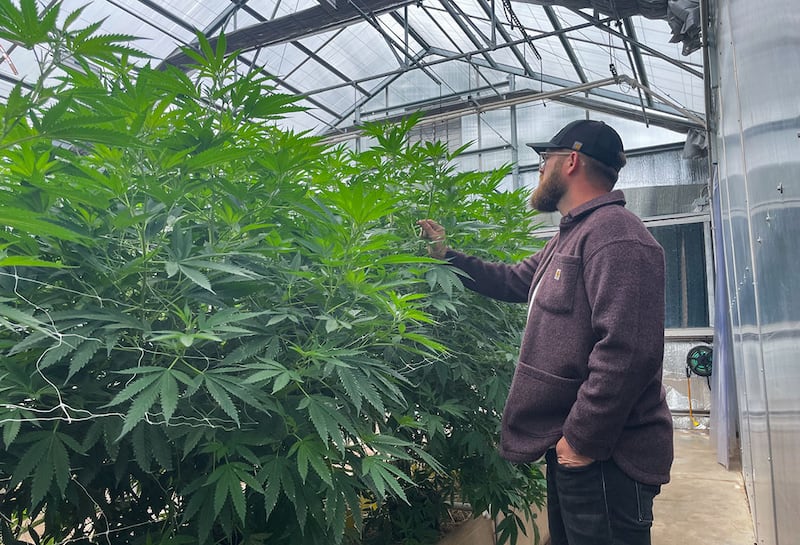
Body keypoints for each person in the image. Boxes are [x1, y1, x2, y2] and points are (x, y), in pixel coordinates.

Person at [418, 119, 672, 545]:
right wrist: (448, 256)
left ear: (570, 162)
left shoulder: (618, 237)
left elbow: (629, 352)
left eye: (545, 160)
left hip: (606, 455)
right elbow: (513, 279)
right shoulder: (570, 236)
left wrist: (580, 441)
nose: (539, 170)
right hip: (576, 448)